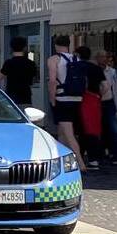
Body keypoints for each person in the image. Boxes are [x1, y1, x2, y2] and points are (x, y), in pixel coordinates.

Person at [47, 36, 84, 168]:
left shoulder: (54, 59)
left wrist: (52, 99)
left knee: (68, 134)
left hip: (62, 99)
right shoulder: (77, 59)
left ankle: (80, 162)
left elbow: (52, 81)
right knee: (62, 132)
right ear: (68, 45)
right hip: (77, 99)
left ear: (56, 45)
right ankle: (63, 162)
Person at [74, 45, 108, 170]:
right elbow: (105, 85)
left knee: (79, 130)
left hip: (78, 100)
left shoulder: (76, 67)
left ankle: (80, 157)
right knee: (93, 130)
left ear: (77, 55)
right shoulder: (96, 68)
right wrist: (99, 95)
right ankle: (94, 159)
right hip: (94, 100)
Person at [96, 51, 117, 165]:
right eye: (101, 57)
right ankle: (103, 153)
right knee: (101, 129)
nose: (104, 59)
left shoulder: (113, 72)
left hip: (109, 102)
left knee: (113, 130)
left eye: (105, 57)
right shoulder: (95, 70)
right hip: (98, 103)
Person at [0, 36, 37, 107]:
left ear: (11, 48)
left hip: (11, 97)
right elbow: (33, 80)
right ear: (25, 48)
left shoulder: (8, 63)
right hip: (26, 97)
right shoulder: (31, 63)